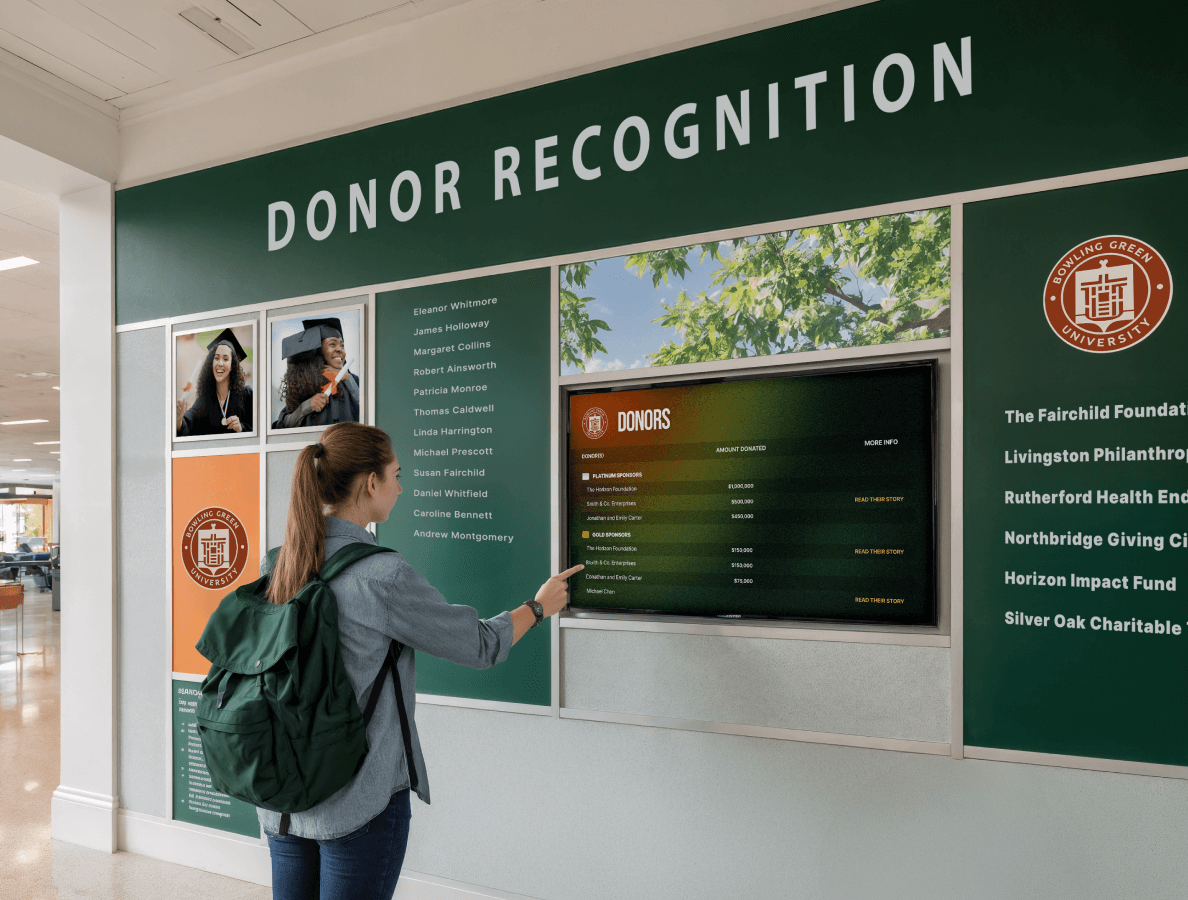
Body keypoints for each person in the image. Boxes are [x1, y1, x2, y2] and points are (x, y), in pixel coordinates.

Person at [261, 422, 580, 899]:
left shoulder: (279, 563)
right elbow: (479, 646)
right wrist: (537, 608)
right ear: (371, 482)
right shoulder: (382, 575)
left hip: (281, 796)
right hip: (357, 800)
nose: (401, 486)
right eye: (396, 473)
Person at [273, 317, 360, 429]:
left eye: (342, 345)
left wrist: (349, 379)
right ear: (319, 351)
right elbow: (283, 425)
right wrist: (305, 407)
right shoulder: (305, 384)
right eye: (332, 344)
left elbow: (373, 412)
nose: (340, 349)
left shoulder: (354, 381)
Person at [176, 328, 254, 436]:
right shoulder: (204, 400)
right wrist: (178, 420)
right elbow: (187, 425)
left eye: (226, 359)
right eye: (216, 358)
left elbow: (261, 429)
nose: (220, 363)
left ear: (233, 365)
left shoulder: (247, 395)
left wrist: (242, 428)